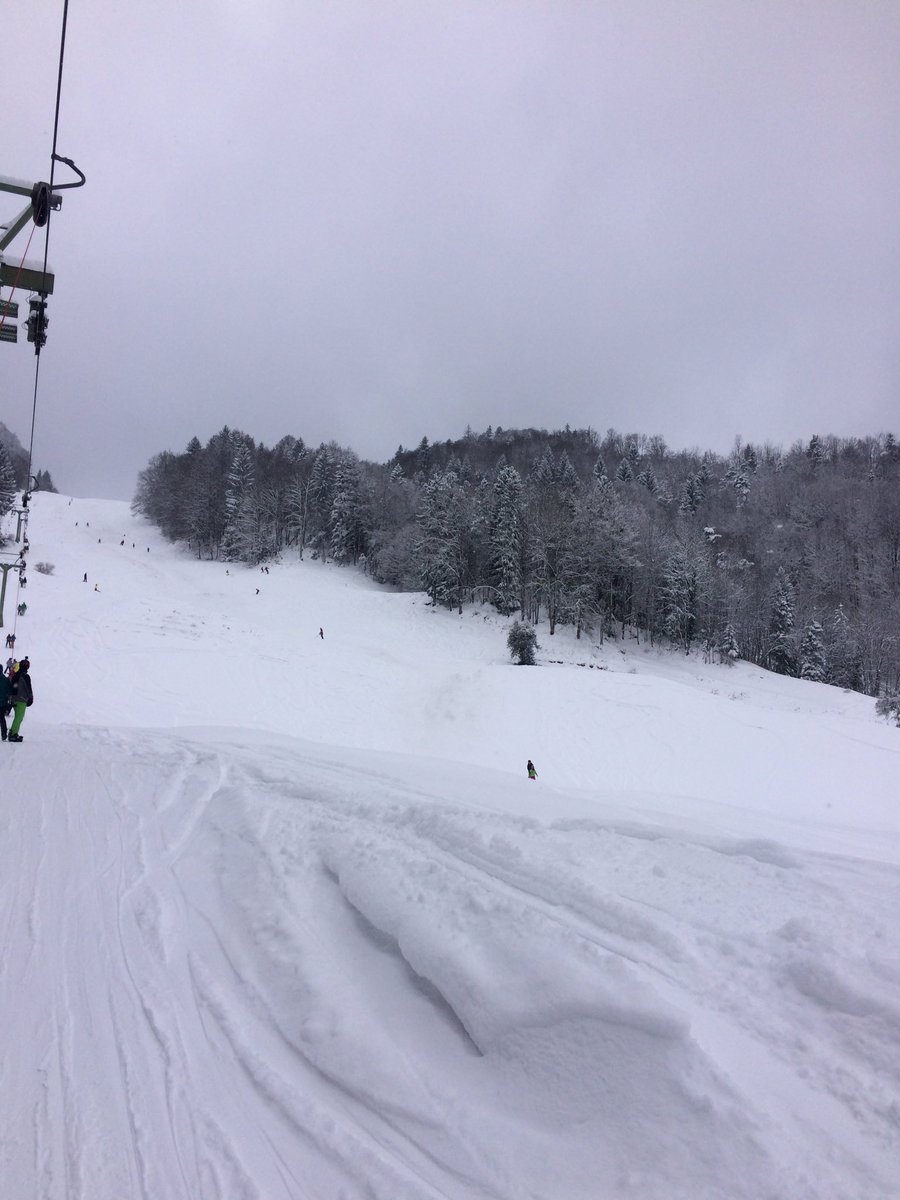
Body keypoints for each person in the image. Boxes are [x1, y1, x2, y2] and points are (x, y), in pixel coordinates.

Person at [7, 656, 33, 742]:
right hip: (21, 699)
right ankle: (13, 734)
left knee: (18, 717)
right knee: (19, 717)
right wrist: (30, 698)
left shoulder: (15, 675)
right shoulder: (26, 676)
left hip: (14, 698)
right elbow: (29, 688)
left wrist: (11, 697)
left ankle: (13, 732)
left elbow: (12, 686)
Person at [0, 662, 11, 741]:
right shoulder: (6, 679)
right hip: (3, 703)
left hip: (3, 702)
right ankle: (4, 733)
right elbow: (10, 690)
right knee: (2, 718)